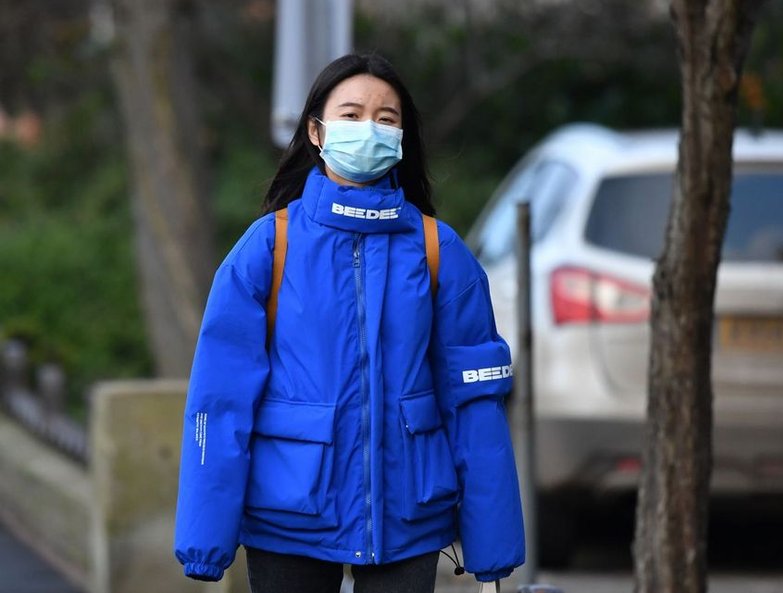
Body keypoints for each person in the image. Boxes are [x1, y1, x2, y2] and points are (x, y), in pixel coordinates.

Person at [173, 53, 525, 593]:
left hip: (409, 514)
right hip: (286, 516)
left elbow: (475, 402)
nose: (370, 130)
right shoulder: (268, 247)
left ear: (403, 136)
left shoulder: (439, 251)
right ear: (316, 131)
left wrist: (493, 541)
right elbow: (219, 400)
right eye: (352, 114)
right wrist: (205, 536)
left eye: (386, 119)